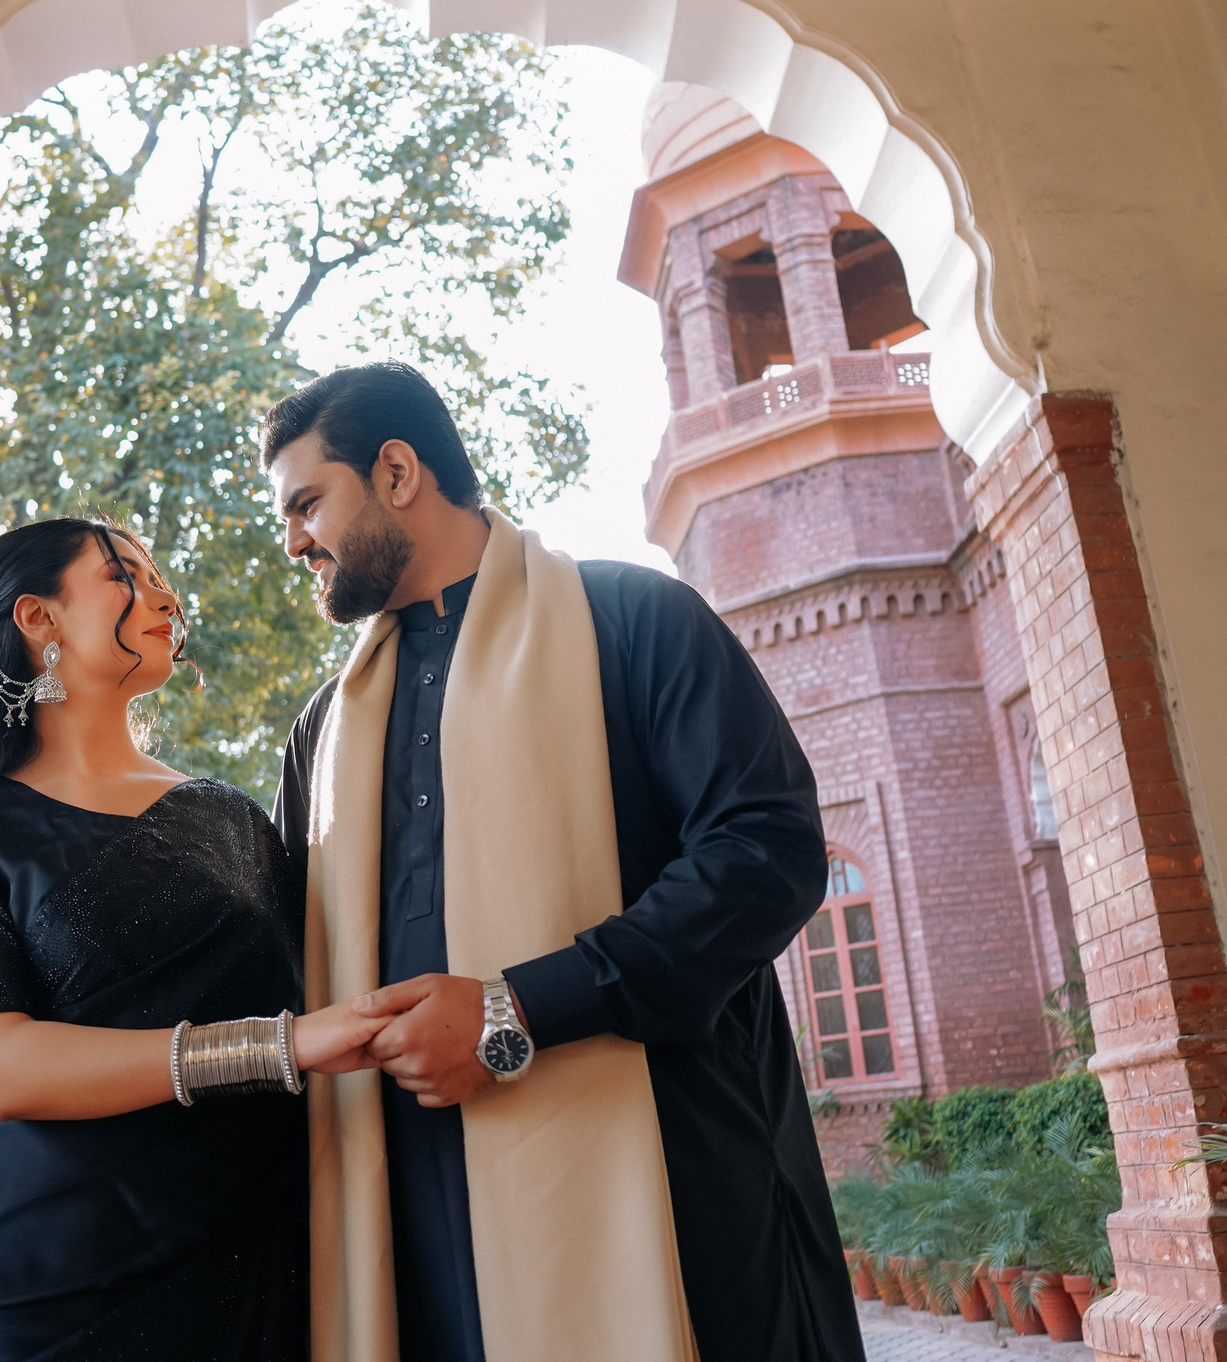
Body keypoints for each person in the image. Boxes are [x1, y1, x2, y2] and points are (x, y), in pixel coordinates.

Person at [264, 363, 866, 1362]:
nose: (293, 541)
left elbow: (765, 852)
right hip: (408, 1219)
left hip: (673, 1192)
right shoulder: (322, 734)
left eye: (306, 503)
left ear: (398, 471)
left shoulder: (634, 624)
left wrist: (516, 1007)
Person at [0, 516, 392, 1362]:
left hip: (239, 1248)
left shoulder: (230, 816)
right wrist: (284, 1046)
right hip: (34, 1273)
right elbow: (2, 1066)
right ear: (38, 618)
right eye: (123, 574)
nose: (164, 594)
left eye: (160, 574)